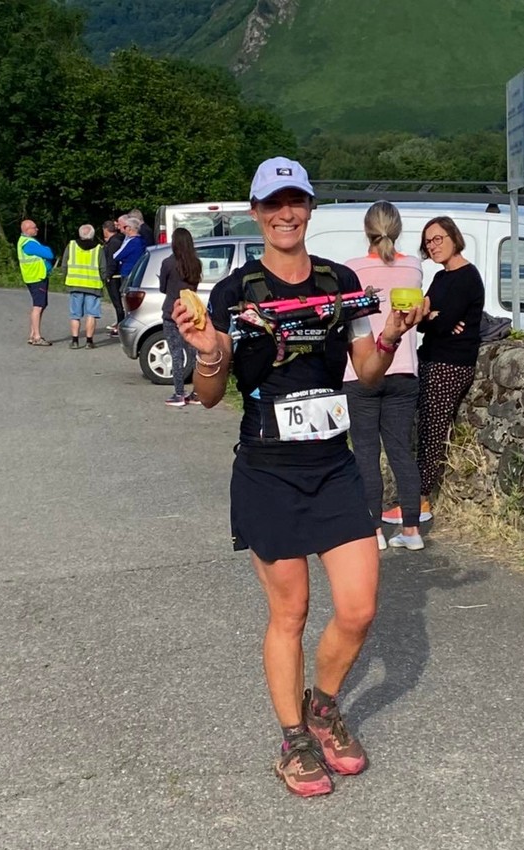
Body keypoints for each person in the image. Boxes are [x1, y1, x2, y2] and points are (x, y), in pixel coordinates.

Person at [172, 156, 424, 798]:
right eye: (273, 203)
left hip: (334, 464)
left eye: (296, 201)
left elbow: (367, 370)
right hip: (268, 469)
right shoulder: (235, 292)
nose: (286, 214)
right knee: (291, 612)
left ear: (310, 208)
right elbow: (211, 395)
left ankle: (323, 707)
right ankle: (294, 741)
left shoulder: (342, 282)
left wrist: (391, 336)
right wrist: (208, 355)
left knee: (359, 608)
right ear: (256, 212)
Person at [342, 201, 425, 552]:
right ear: (398, 228)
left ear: (366, 231)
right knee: (401, 451)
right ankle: (411, 529)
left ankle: (374, 529)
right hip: (403, 369)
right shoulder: (414, 267)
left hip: (360, 371)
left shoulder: (351, 269)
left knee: (365, 452)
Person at [415, 216, 485, 519]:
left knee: (433, 428)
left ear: (454, 237)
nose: (432, 246)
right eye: (428, 242)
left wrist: (435, 318)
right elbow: (421, 319)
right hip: (430, 357)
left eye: (437, 239)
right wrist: (432, 318)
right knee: (422, 426)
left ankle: (421, 499)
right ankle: (414, 494)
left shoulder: (467, 277)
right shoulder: (441, 277)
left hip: (451, 363)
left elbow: (440, 322)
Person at [159, 227, 201, 407]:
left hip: (171, 312)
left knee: (176, 354)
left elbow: (162, 288)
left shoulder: (168, 263)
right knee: (195, 353)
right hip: (190, 312)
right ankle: (197, 392)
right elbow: (195, 286)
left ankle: (179, 394)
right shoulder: (196, 263)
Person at [61, 224, 106, 350]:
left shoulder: (71, 245)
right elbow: (103, 268)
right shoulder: (98, 248)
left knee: (75, 314)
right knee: (91, 314)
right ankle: (89, 341)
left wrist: (65, 278)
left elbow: (64, 265)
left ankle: (75, 341)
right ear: (92, 235)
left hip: (75, 284)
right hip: (93, 286)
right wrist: (103, 280)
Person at [17, 220, 54, 346]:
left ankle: (33, 334)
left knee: (40, 305)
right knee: (38, 306)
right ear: (27, 230)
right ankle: (37, 336)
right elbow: (49, 254)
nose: (37, 229)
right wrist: (46, 249)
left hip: (32, 277)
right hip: (37, 277)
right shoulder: (29, 243)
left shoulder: (23, 241)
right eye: (34, 227)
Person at [102, 220, 125, 335]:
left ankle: (120, 325)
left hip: (114, 276)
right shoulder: (117, 240)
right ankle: (119, 322)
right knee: (118, 303)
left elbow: (112, 260)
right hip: (116, 275)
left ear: (106, 230)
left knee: (117, 302)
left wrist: (108, 275)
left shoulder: (114, 242)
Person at [113, 216, 146, 286]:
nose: (124, 229)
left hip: (127, 272)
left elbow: (116, 256)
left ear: (129, 228)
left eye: (125, 227)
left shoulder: (131, 241)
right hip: (138, 272)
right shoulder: (142, 241)